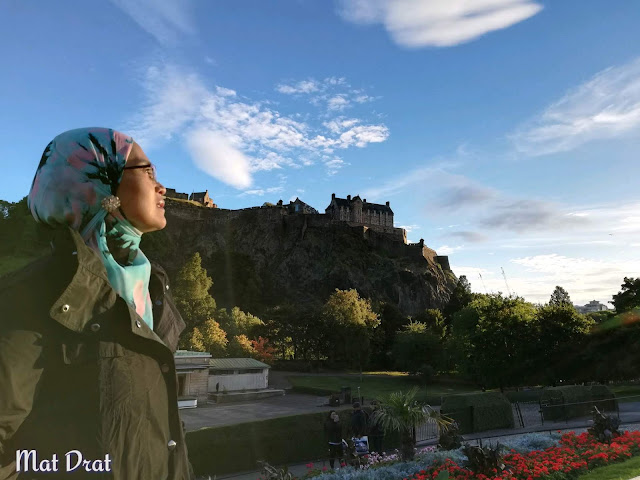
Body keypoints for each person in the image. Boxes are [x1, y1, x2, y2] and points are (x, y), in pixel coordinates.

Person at [0, 128, 191, 479]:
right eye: (148, 172)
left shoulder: (153, 290)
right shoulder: (36, 294)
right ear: (101, 185)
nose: (162, 187)